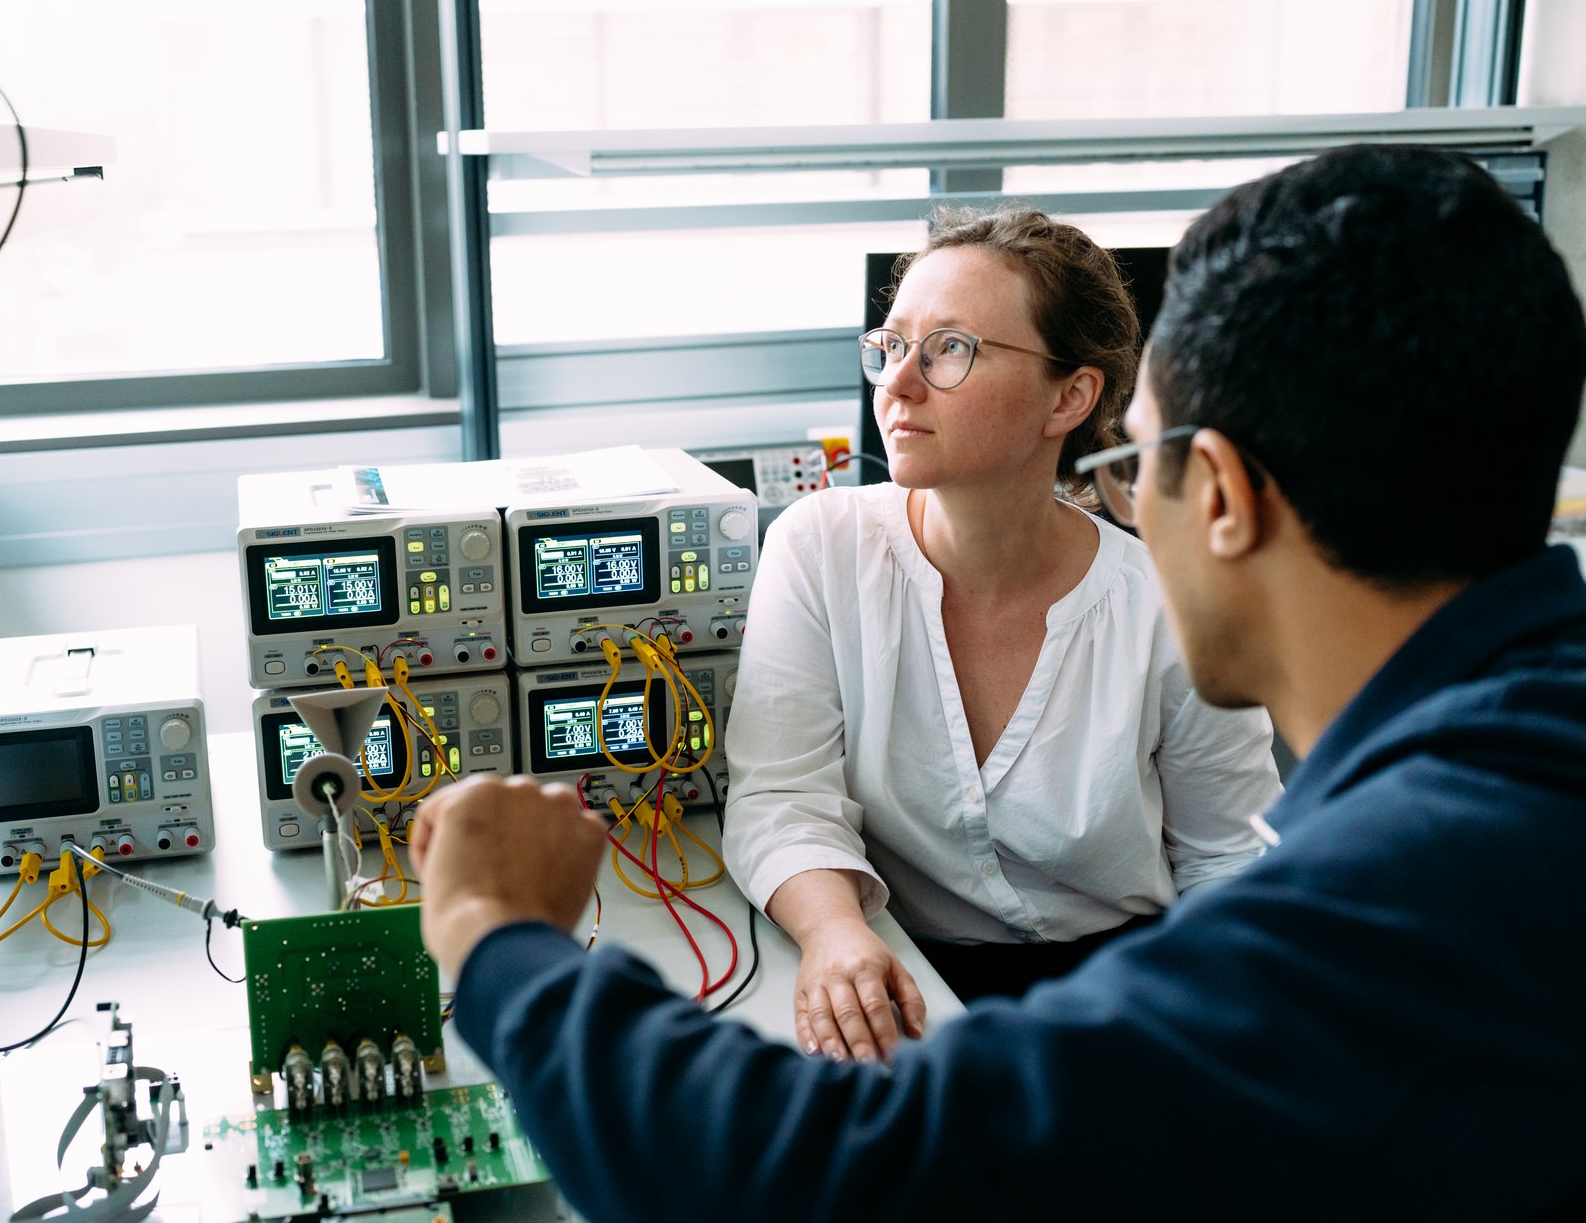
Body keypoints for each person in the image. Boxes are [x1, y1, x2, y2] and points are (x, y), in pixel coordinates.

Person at [412, 144, 1586, 1220]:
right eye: (894, 346)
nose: (1123, 510)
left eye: (1134, 465)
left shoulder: (1386, 905)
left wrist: (494, 929)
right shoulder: (1520, 768)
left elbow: (808, 1175)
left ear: (1216, 495)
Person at [721, 207, 1281, 1050]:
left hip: (1126, 990)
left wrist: (1193, 1030)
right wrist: (835, 932)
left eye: (951, 348)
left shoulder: (1165, 602)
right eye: (893, 343)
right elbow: (782, 794)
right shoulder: (821, 545)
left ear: (1071, 395)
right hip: (899, 969)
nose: (898, 382)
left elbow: (1228, 862)